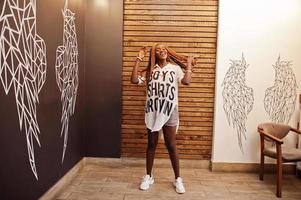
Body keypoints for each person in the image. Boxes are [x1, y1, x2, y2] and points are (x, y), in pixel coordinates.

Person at [131, 43, 195, 194]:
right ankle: (148, 176)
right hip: (153, 111)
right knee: (151, 144)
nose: (162, 51)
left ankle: (178, 178)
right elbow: (134, 80)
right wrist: (138, 59)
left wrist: (189, 65)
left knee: (171, 144)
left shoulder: (175, 69)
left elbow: (186, 82)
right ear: (154, 53)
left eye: (164, 48)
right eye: (158, 49)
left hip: (170, 110)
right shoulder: (150, 72)